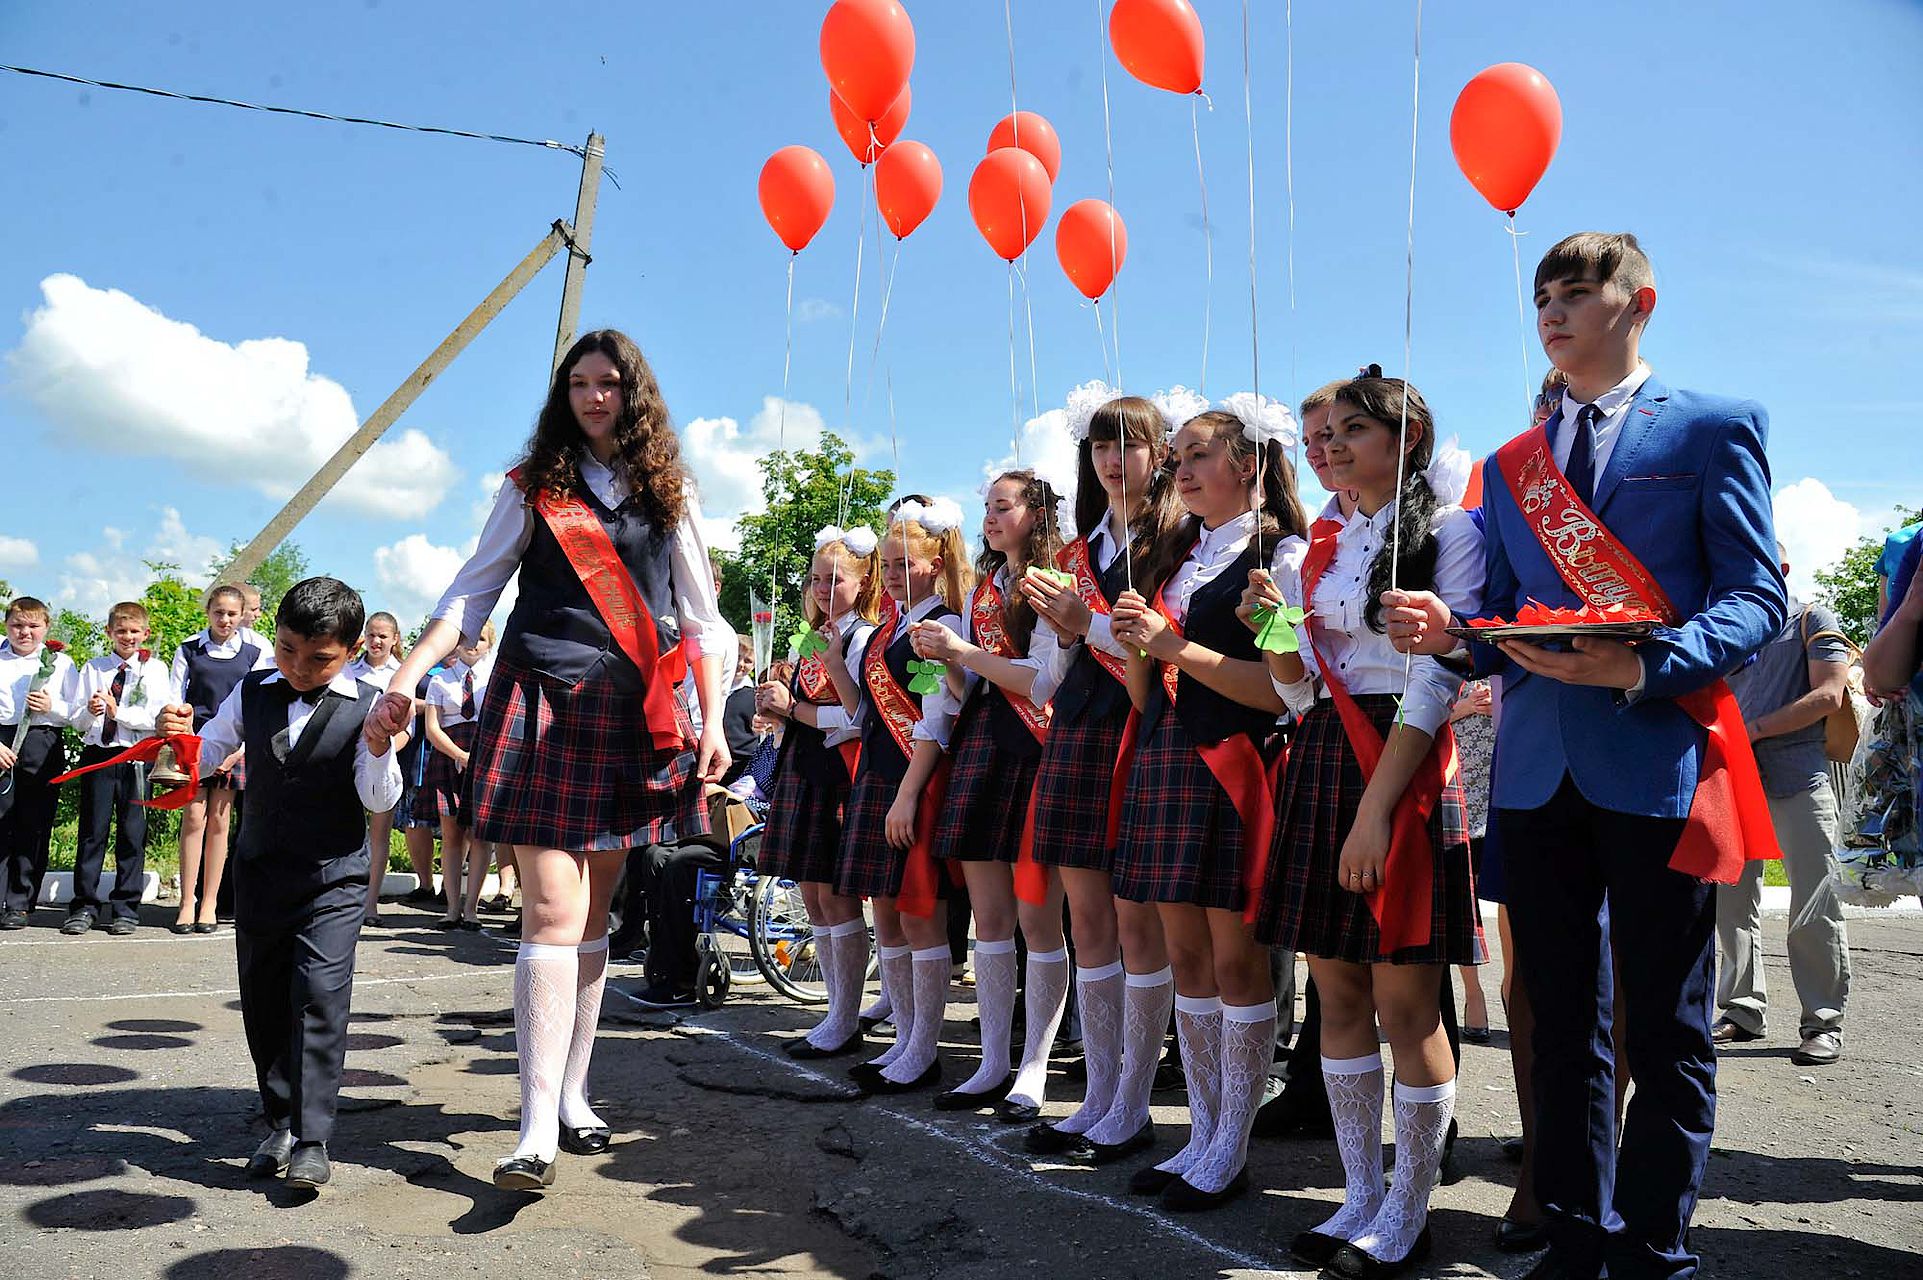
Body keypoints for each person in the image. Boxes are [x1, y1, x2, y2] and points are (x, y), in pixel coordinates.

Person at [1386, 231, 1786, 1280]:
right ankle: (1571, 1239)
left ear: (1637, 300)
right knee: (1555, 1025)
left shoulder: (1711, 425)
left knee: (1664, 1026)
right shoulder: (1515, 464)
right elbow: (1512, 621)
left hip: (1651, 757)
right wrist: (1450, 632)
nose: (1553, 313)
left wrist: (1642, 667)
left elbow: (1755, 597)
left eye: (1576, 293)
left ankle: (1654, 1248)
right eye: (1541, 297)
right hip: (1532, 770)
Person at [369, 329, 734, 1192]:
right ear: (561, 393)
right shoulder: (533, 488)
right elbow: (473, 588)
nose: (594, 397)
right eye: (579, 383)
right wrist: (407, 675)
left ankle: (572, 1093)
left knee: (595, 915)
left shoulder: (668, 493)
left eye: (608, 384)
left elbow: (701, 616)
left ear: (633, 394)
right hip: (539, 700)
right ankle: (532, 1129)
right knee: (549, 910)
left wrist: (714, 716)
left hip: (634, 714)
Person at [1252, 373, 1484, 1277]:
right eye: (1321, 434)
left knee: (1402, 1002)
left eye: (1353, 429)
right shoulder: (1318, 545)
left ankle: (1408, 1208)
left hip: (1401, 766)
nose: (1330, 446)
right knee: (1336, 995)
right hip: (1318, 755)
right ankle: (1358, 1195)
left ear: (1408, 434)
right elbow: (1300, 688)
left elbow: (1436, 679)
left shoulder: (1451, 532)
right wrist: (1277, 640)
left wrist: (1375, 812)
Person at [1105, 396, 1307, 1212]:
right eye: (1177, 457)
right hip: (1165, 755)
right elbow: (1148, 684)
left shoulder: (1280, 556)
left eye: (1198, 455)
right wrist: (1134, 650)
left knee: (1233, 960)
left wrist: (1168, 643)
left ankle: (1232, 1143)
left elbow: (1280, 694)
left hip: (1233, 763)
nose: (1179, 470)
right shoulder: (1177, 555)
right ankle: (1202, 1129)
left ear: (1249, 465)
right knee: (1183, 956)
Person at [157, 576, 403, 1191]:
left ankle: (314, 1137)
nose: (297, 667)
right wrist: (180, 734)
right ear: (275, 637)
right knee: (264, 996)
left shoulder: (369, 703)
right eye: (288, 649)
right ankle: (280, 1123)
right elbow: (210, 751)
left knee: (319, 993)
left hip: (333, 878)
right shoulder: (255, 688)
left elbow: (379, 798)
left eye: (318, 658)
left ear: (349, 651)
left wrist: (378, 748)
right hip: (261, 870)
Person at [1019, 390, 1188, 1158]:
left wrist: (1078, 622)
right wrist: (1053, 633)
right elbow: (1047, 678)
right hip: (1078, 731)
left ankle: (1132, 1099)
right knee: (1085, 922)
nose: (1112, 460)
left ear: (1161, 453)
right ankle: (1096, 1092)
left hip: (1143, 726)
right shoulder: (1076, 549)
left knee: (1135, 922)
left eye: (1128, 444)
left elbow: (1158, 656)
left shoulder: (1178, 539)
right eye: (1097, 447)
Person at [909, 468, 1068, 1115]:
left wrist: (963, 653)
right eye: (986, 507)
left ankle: (1035, 1066)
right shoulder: (984, 588)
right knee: (989, 921)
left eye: (1002, 506)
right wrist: (949, 660)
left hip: (1035, 751)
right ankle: (993, 1060)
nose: (990, 517)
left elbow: (1042, 683)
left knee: (1038, 918)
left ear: (1036, 511)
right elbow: (966, 690)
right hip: (982, 746)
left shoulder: (1051, 582)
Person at [833, 498, 971, 1095]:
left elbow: (939, 717)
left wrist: (908, 794)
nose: (891, 574)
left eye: (902, 564)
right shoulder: (890, 625)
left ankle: (924, 1047)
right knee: (885, 914)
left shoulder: (942, 626)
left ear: (936, 564)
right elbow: (865, 711)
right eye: (885, 564)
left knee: (919, 916)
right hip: (880, 773)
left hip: (916, 777)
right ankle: (905, 1038)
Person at [1714, 544, 1854, 1065]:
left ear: (1783, 569)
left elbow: (1829, 695)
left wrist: (1751, 730)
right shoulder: (1728, 625)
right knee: (1731, 900)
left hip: (1800, 775)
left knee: (1815, 898)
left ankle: (1823, 1021)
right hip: (1735, 779)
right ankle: (1742, 1009)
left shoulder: (1811, 617)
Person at [755, 525, 883, 1054]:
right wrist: (777, 703)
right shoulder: (811, 636)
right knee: (812, 897)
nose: (822, 589)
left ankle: (845, 1016)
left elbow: (860, 715)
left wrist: (796, 710)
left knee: (836, 898)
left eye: (835, 580)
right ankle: (834, 1009)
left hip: (840, 772)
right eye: (815, 579)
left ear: (862, 582)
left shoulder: (862, 637)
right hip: (802, 766)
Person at [63, 602, 171, 936]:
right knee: (93, 832)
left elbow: (156, 721)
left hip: (136, 756)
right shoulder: (94, 668)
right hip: (99, 753)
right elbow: (77, 722)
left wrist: (117, 712)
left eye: (134, 632)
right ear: (109, 633)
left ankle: (126, 908)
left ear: (145, 634)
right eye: (121, 631)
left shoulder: (155, 669)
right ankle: (84, 905)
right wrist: (92, 712)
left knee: (132, 832)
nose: (128, 637)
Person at [169, 584, 270, 934]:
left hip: (236, 744)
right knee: (193, 819)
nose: (225, 619)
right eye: (218, 612)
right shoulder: (189, 649)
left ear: (242, 614)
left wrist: (236, 751)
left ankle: (210, 903)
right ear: (208, 612)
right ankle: (187, 902)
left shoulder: (255, 651)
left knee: (220, 823)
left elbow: (259, 704)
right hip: (195, 744)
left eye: (231, 613)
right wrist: (188, 744)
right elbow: (174, 701)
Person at [0, 596, 79, 928]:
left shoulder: (60, 663)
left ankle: (20, 902)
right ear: (7, 625)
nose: (24, 632)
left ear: (46, 628)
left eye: (33, 626)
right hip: (1, 739)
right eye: (18, 625)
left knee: (33, 823)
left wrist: (51, 706)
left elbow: (76, 713)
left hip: (42, 739)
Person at [419, 623, 496, 931]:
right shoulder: (441, 680)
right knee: (451, 836)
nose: (472, 645)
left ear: (490, 643)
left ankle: (472, 909)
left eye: (480, 638)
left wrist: (477, 758)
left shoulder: (495, 680)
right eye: (467, 638)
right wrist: (459, 756)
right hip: (449, 757)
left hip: (485, 755)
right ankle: (452, 908)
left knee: (480, 835)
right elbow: (432, 728)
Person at [348, 612, 406, 926]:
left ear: (395, 639)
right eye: (371, 634)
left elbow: (408, 730)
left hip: (385, 758)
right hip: (348, 756)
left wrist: (380, 754)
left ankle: (370, 904)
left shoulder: (403, 675)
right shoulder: (349, 670)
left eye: (383, 635)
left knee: (379, 833)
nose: (376, 641)